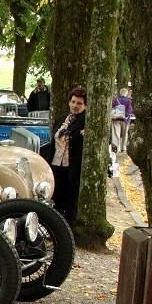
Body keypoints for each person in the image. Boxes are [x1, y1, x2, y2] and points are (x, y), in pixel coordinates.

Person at [40, 85, 87, 225]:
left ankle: (69, 230)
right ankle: (55, 228)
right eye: (73, 102)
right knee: (56, 197)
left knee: (71, 200)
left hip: (72, 167)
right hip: (55, 164)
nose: (75, 106)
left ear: (85, 105)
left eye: (79, 103)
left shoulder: (86, 121)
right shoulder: (61, 119)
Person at [110, 87, 134, 154]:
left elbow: (112, 108)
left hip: (116, 119)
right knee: (125, 134)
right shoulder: (129, 101)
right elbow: (130, 110)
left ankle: (116, 149)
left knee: (115, 134)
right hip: (125, 120)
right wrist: (125, 114)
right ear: (126, 94)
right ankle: (124, 148)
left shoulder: (115, 100)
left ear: (120, 93)